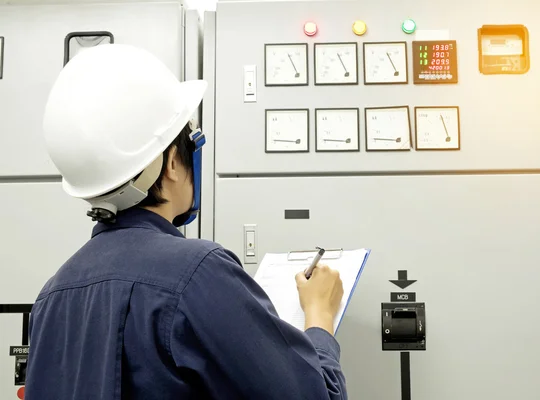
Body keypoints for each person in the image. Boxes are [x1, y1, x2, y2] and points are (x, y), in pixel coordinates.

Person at [25, 44, 347, 399]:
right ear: (174, 162)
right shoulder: (198, 273)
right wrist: (320, 314)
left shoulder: (53, 294)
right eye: (194, 144)